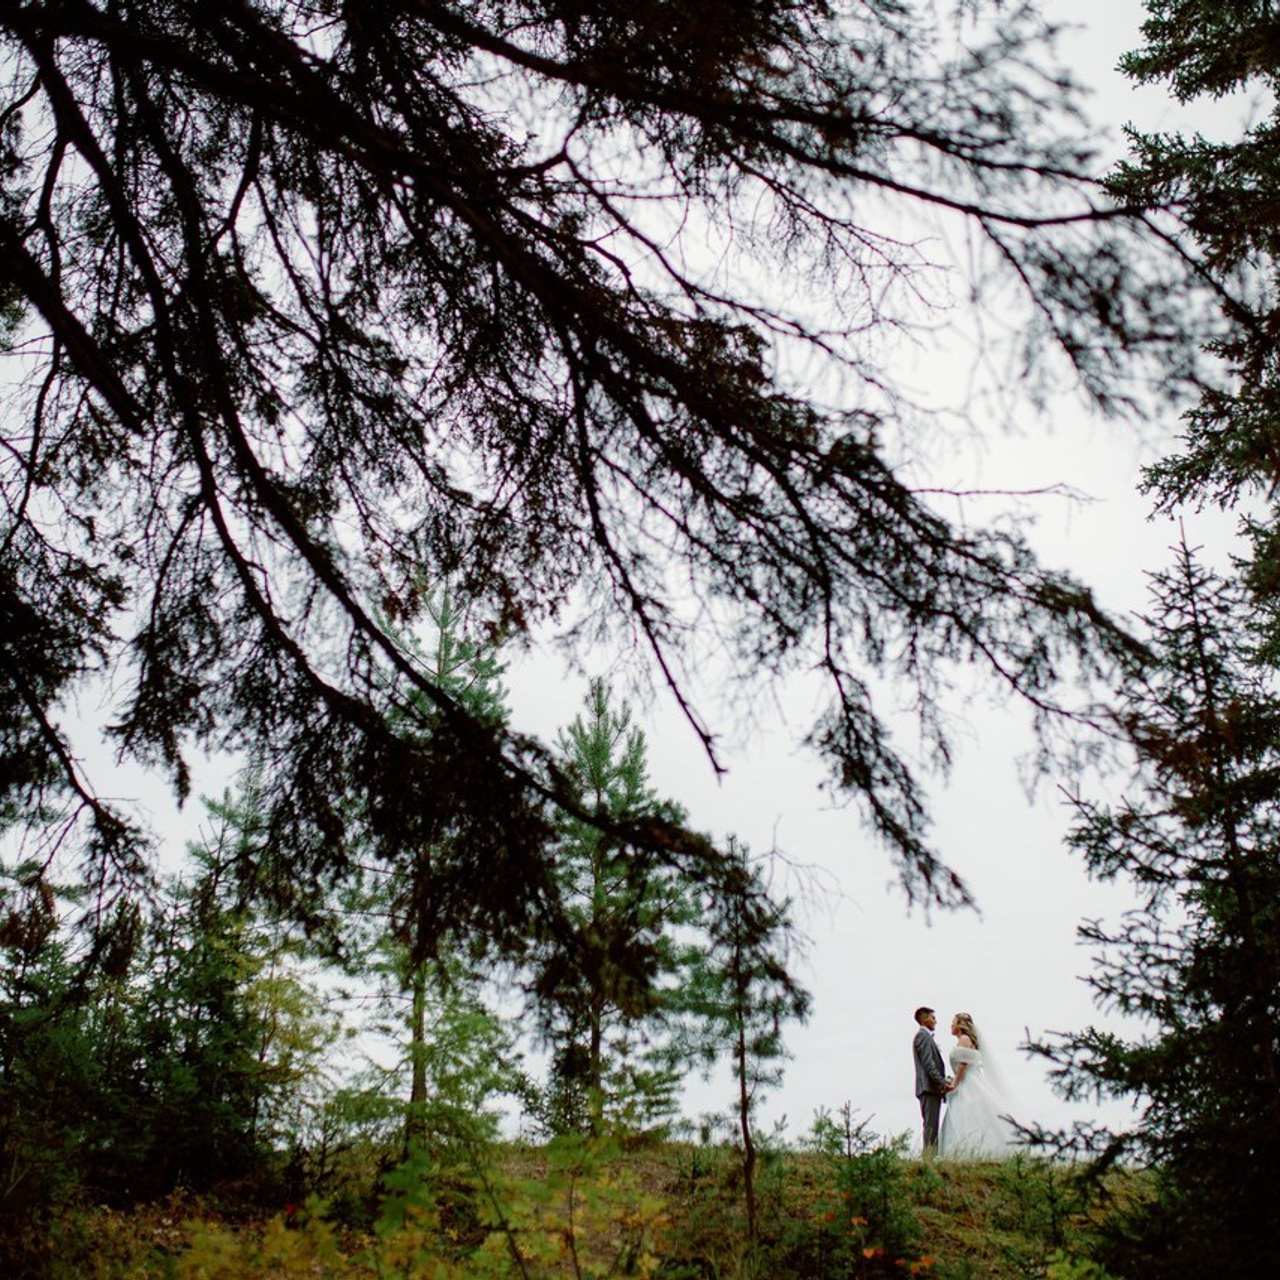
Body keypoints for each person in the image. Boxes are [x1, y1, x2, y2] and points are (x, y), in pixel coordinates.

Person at [937, 1011, 1020, 1159]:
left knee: (966, 1114)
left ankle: (966, 1151)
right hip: (970, 1078)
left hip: (967, 1080)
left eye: (953, 1022)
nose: (951, 1025)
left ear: (960, 1025)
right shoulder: (967, 1040)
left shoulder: (964, 1038)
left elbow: (963, 1063)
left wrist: (954, 1083)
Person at [912, 1006, 950, 1157]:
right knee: (930, 1124)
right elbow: (929, 1064)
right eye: (933, 1018)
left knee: (931, 1123)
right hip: (928, 1088)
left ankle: (930, 1156)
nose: (936, 1021)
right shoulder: (922, 1036)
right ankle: (929, 1157)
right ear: (923, 1019)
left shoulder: (926, 1037)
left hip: (930, 1088)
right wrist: (942, 1083)